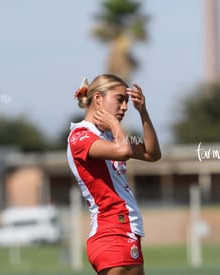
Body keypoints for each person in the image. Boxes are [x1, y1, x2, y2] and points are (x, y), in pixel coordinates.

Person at [67, 74, 161, 275]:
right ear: (98, 98)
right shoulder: (81, 135)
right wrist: (115, 125)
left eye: (127, 101)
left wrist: (143, 112)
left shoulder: (110, 137)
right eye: (119, 99)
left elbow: (152, 153)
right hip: (113, 230)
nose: (125, 107)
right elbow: (124, 151)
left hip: (122, 231)